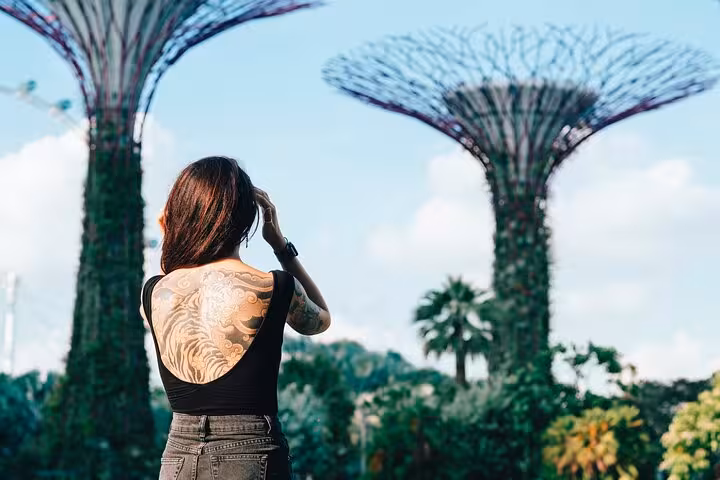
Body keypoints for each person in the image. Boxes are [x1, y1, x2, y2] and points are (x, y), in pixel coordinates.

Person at [140, 156, 331, 480]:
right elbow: (320, 320)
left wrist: (170, 234)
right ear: (246, 218)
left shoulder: (154, 293)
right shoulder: (274, 286)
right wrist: (279, 244)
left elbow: (171, 280)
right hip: (251, 453)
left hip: (178, 455)